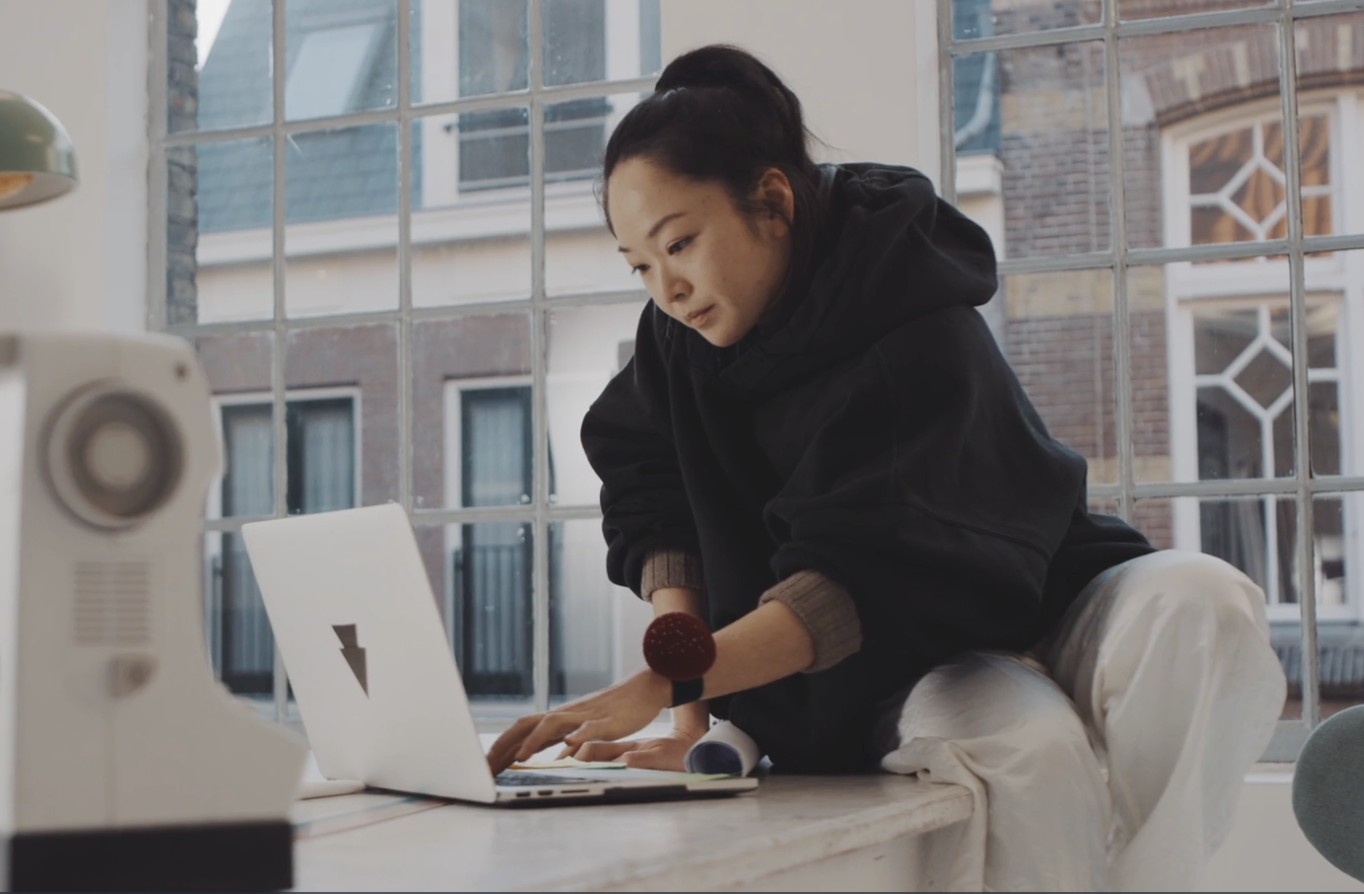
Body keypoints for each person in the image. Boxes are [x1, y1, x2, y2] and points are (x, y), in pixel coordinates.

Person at [488, 44, 1285, 890]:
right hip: (885, 661)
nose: (667, 290)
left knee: (1209, 602)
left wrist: (660, 681)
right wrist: (690, 713)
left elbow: (858, 575)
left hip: (1033, 582)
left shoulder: (911, 317)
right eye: (640, 265)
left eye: (679, 243)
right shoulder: (676, 344)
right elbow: (658, 499)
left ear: (773, 201)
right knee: (1032, 745)